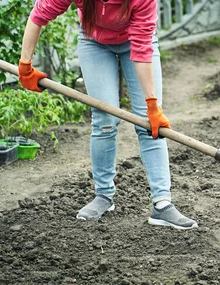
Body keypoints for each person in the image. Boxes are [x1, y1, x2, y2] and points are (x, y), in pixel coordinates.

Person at [17, 0, 197, 229]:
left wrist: (152, 105)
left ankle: (162, 204)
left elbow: (141, 48)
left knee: (150, 124)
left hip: (136, 42)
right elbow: (39, 15)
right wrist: (25, 64)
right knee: (104, 120)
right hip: (94, 43)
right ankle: (103, 195)